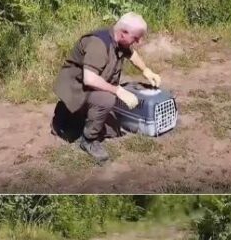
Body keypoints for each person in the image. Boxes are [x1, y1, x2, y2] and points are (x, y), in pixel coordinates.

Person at [53, 12, 162, 162]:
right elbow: (89, 79)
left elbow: (132, 54)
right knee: (107, 99)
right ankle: (88, 140)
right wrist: (117, 90)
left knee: (114, 129)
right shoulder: (99, 44)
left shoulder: (119, 40)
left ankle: (72, 115)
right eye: (136, 38)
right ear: (124, 33)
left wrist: (146, 70)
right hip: (75, 89)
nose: (138, 42)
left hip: (86, 87)